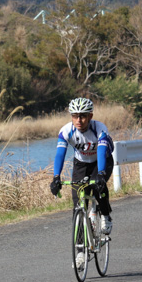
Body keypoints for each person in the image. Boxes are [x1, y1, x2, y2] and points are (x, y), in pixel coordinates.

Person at [50, 97, 115, 235]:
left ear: (90, 116)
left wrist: (101, 174)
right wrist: (56, 177)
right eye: (75, 116)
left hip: (101, 161)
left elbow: (102, 152)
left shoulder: (100, 128)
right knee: (78, 204)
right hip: (81, 164)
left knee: (98, 188)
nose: (79, 120)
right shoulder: (66, 131)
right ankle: (80, 249)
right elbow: (60, 155)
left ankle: (105, 215)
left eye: (83, 116)